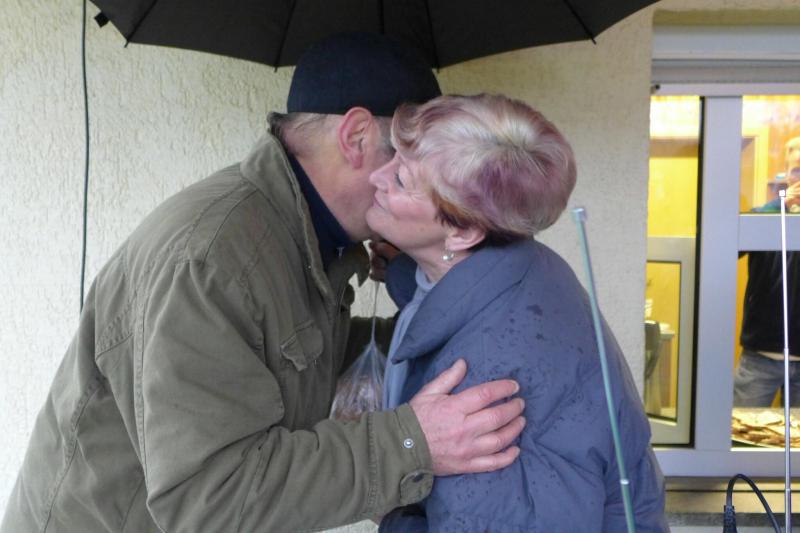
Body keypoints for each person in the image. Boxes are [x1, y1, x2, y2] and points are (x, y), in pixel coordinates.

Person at [1, 34, 527, 533]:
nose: (432, 182)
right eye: (417, 158)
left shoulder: (303, 233)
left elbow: (283, 358)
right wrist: (412, 444)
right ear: (357, 137)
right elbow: (212, 498)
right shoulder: (212, 260)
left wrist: (430, 328)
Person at [365, 94, 668, 531]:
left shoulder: (485, 380)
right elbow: (456, 300)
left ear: (463, 232)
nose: (376, 176)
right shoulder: (527, 264)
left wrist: (387, 506)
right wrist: (401, 271)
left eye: (401, 178)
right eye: (392, 156)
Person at [733, 136, 800, 407]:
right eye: (797, 169)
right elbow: (727, 249)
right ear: (786, 174)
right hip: (760, 357)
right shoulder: (765, 215)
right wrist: (780, 206)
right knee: (742, 429)